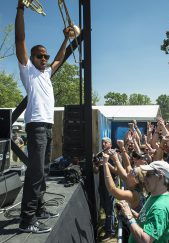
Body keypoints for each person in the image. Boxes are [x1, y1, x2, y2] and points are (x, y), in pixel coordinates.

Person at [15, 0, 71, 233]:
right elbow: (20, 40)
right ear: (32, 58)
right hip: (36, 126)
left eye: (46, 56)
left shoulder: (47, 73)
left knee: (44, 171)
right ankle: (27, 221)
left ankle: (38, 209)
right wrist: (20, 9)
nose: (44, 59)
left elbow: (60, 57)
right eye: (40, 56)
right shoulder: (27, 70)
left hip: (47, 126)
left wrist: (66, 38)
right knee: (36, 172)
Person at [117, 161, 169, 243]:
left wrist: (129, 216)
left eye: (148, 175)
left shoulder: (160, 208)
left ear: (160, 177)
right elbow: (146, 220)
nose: (144, 179)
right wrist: (129, 212)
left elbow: (145, 240)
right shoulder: (154, 196)